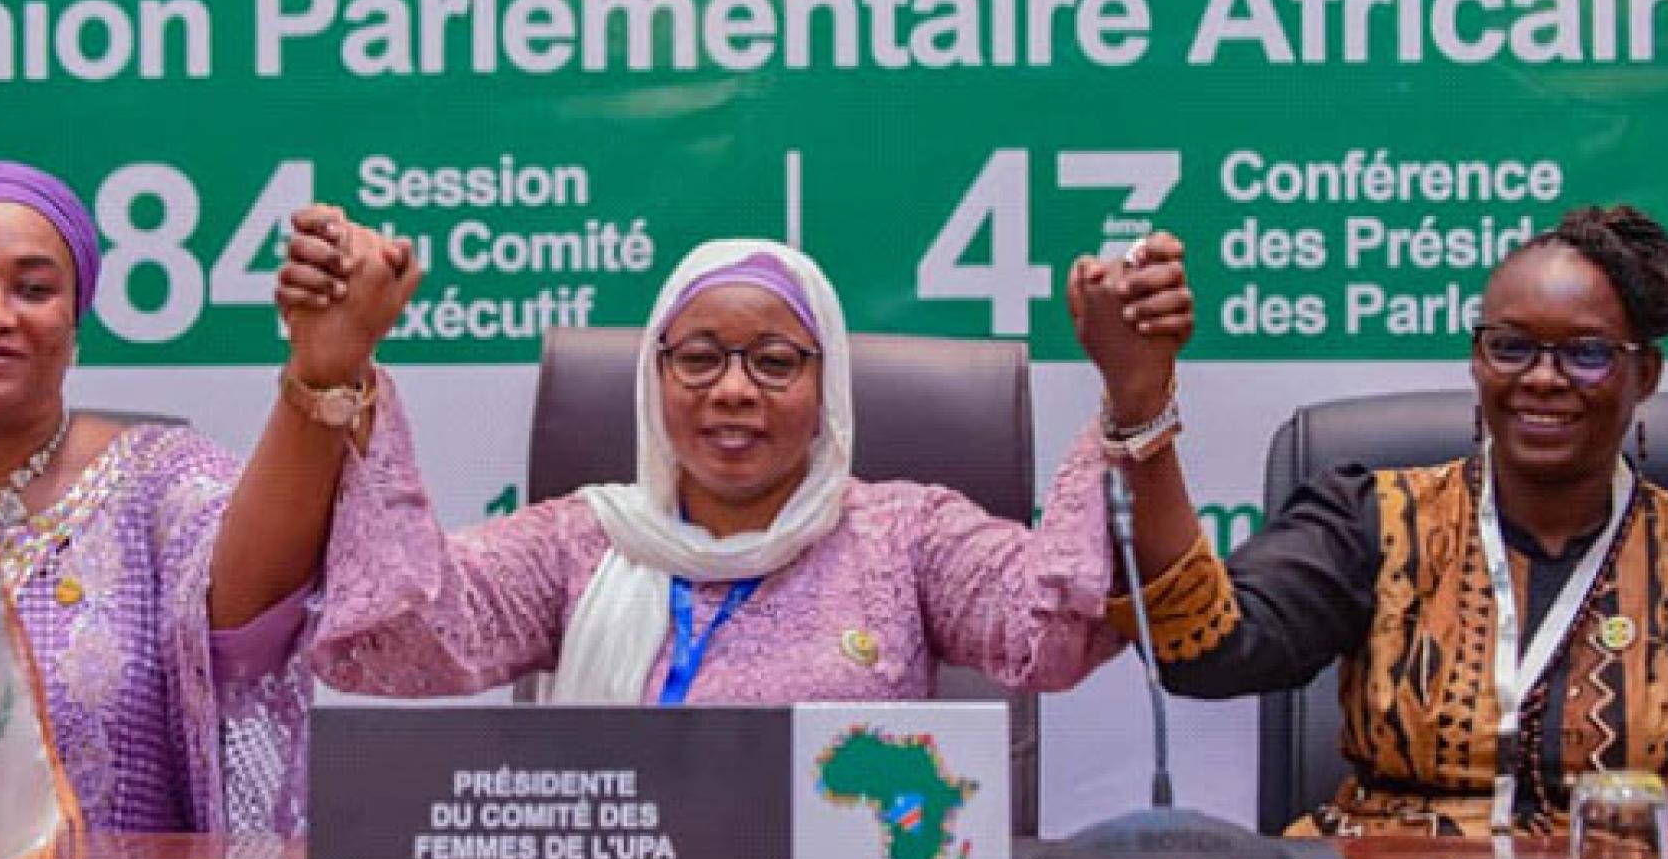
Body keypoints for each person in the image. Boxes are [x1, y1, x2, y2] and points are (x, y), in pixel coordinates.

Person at [236, 208, 1191, 705]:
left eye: (776, 362)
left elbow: (1050, 637)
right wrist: (339, 361)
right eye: (698, 358)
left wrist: (1133, 393)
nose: (733, 390)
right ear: (656, 381)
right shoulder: (587, 542)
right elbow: (402, 643)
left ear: (829, 392)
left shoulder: (903, 536)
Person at [1084, 205, 1668, 836]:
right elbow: (1200, 650)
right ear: (1478, 360)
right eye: (1511, 347)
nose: (1543, 379)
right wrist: (1142, 404)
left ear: (1646, 375)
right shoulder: (1374, 520)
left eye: (1586, 354)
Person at [0, 160, 311, 835]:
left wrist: (320, 375)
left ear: (74, 324)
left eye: (33, 289)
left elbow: (254, 613)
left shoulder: (160, 482)